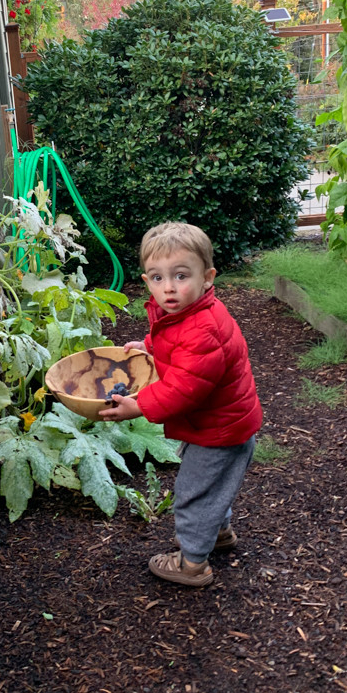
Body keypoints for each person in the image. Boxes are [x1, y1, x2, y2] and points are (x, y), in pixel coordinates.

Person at [100, 222, 262, 587]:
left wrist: (138, 406)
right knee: (213, 486)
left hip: (218, 431)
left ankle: (193, 564)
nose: (168, 287)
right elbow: (173, 341)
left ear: (207, 278)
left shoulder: (203, 329)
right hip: (223, 423)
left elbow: (182, 389)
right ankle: (216, 534)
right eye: (158, 278)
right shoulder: (188, 313)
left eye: (181, 276)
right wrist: (148, 346)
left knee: (193, 494)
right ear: (147, 281)